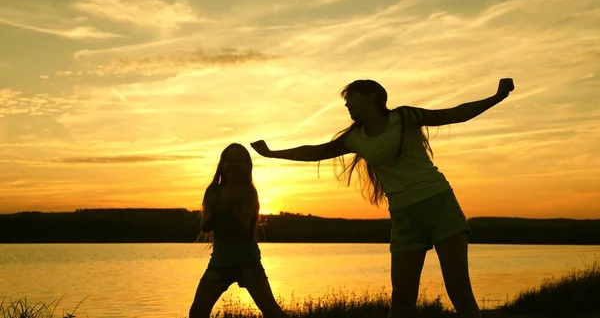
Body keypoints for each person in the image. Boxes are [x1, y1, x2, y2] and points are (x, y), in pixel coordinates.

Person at [250, 78, 515, 318]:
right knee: (401, 300)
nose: (347, 106)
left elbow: (455, 114)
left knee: (458, 291)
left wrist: (496, 97)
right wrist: (273, 154)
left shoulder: (405, 117)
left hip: (438, 205)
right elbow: (313, 152)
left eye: (350, 98)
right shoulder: (355, 138)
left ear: (372, 97)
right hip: (403, 219)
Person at [189, 143, 288, 318]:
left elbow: (243, 232)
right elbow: (205, 226)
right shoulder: (213, 191)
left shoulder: (249, 193)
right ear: (223, 164)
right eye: (230, 160)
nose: (234, 164)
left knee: (272, 311)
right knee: (197, 312)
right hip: (219, 263)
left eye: (239, 161)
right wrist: (214, 214)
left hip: (248, 263)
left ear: (247, 166)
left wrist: (228, 210)